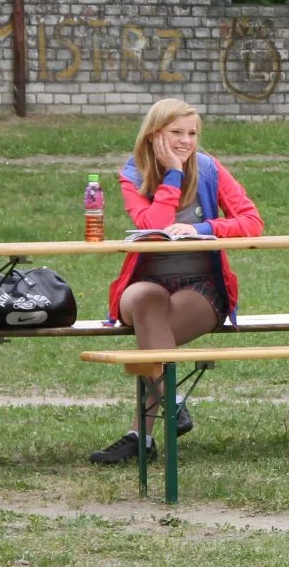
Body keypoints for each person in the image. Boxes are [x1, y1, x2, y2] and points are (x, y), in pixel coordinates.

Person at [90, 99, 264, 465]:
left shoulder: (208, 168)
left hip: (201, 286)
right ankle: (173, 402)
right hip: (149, 280)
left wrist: (202, 228)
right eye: (176, 133)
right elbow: (150, 224)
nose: (186, 142)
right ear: (154, 135)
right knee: (144, 301)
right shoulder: (133, 173)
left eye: (192, 134)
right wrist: (171, 175)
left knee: (151, 339)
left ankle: (142, 437)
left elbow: (251, 221)